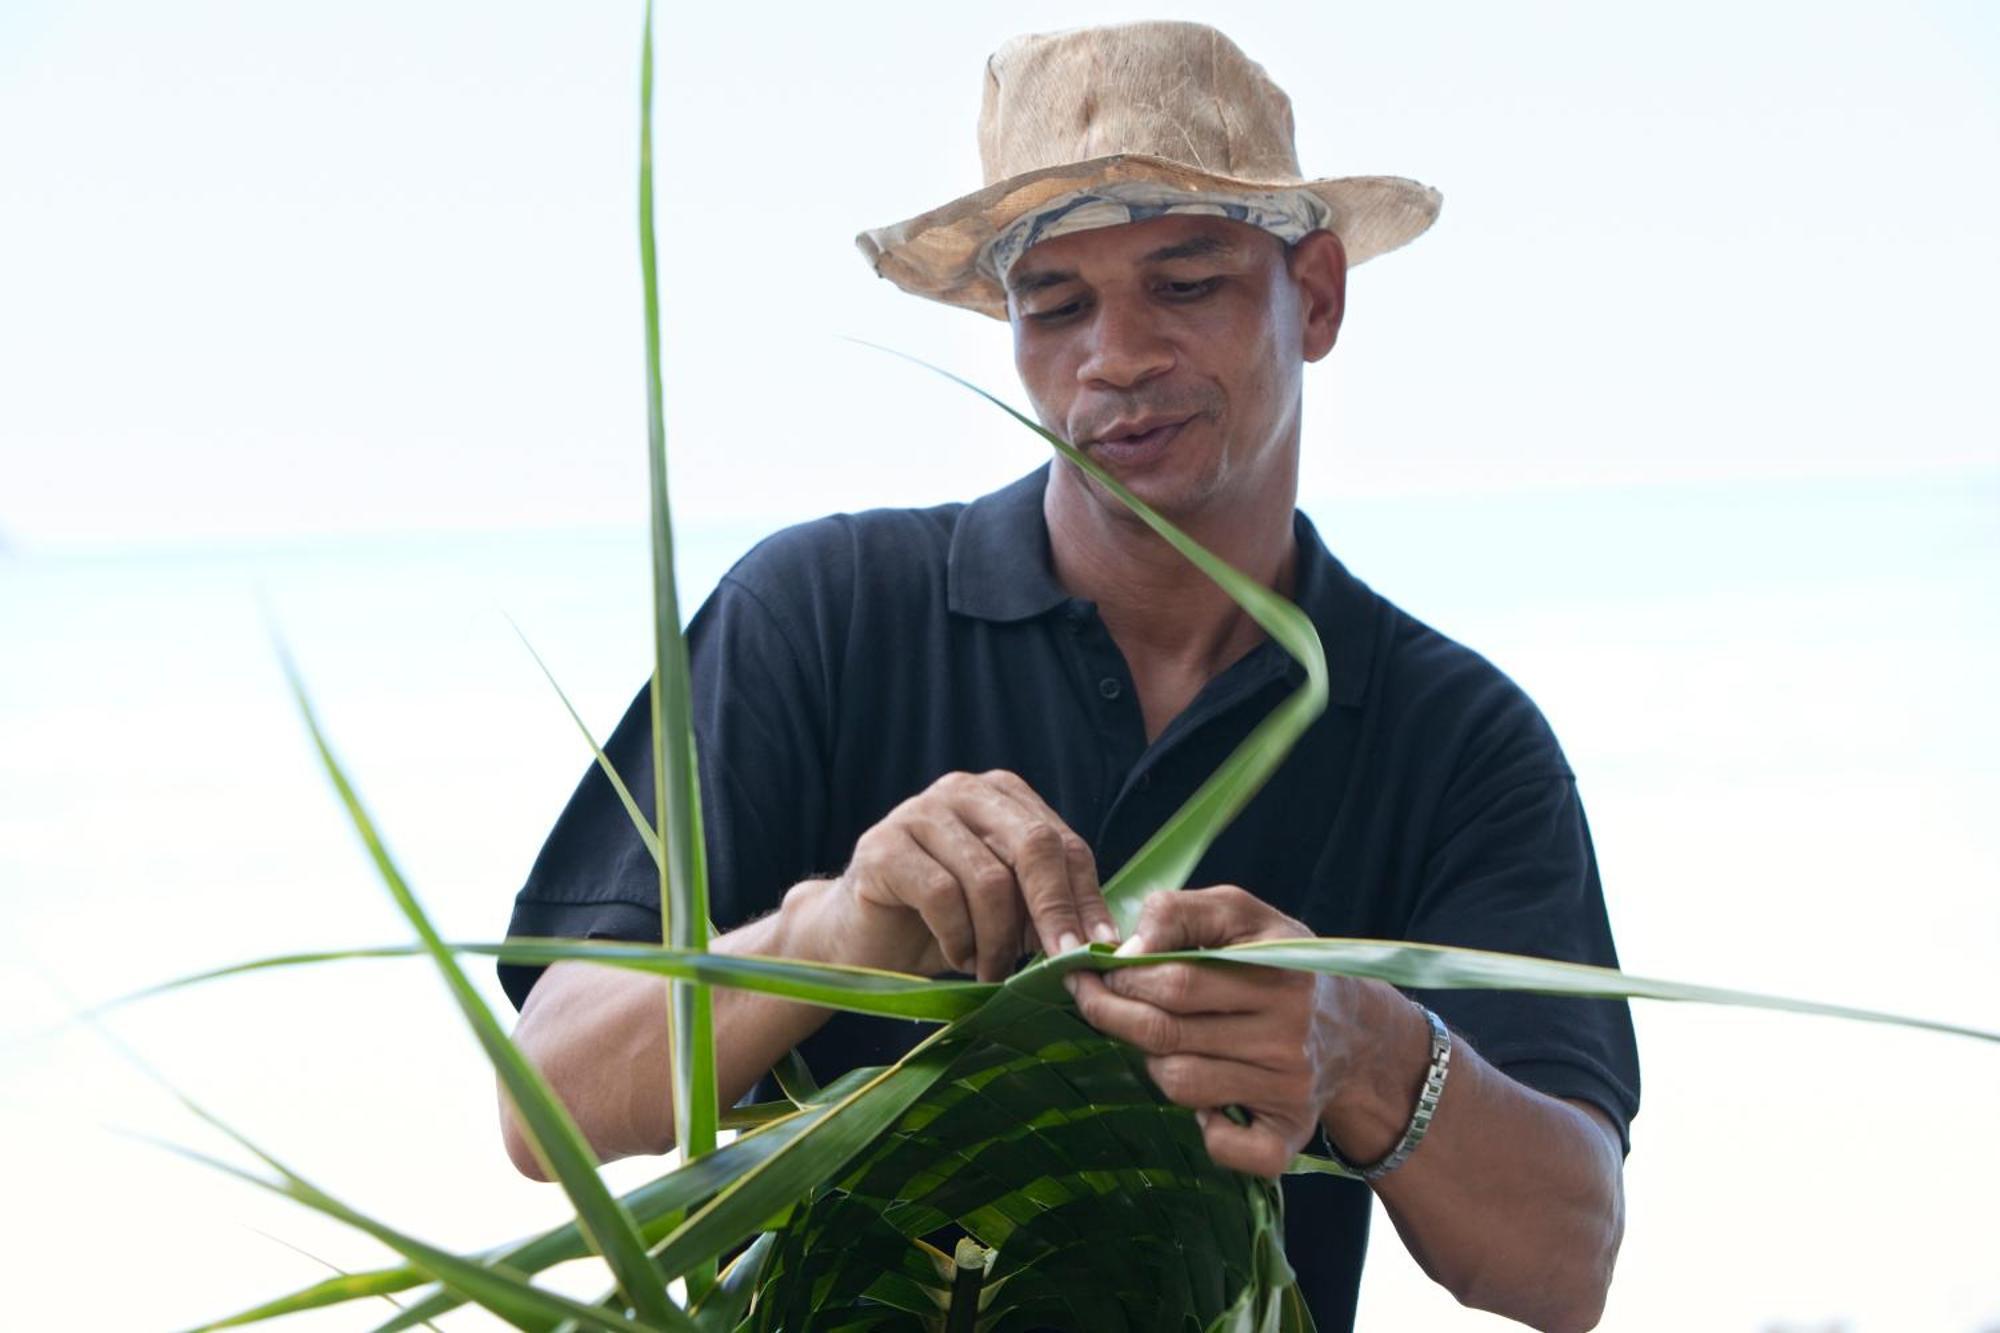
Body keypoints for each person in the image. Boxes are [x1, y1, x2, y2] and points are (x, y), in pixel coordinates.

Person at [498, 20, 1639, 1332]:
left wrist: (1365, 1048)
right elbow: (546, 1107)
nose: (1117, 356)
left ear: (1314, 295)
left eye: (1188, 282)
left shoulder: (1455, 735)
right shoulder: (819, 614)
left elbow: (1571, 1258)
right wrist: (828, 933)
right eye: (1057, 303)